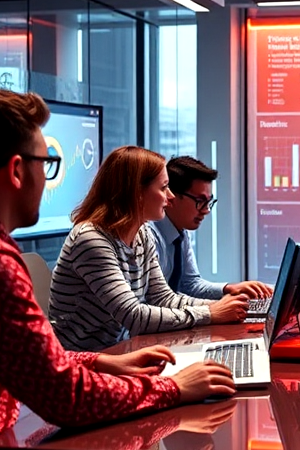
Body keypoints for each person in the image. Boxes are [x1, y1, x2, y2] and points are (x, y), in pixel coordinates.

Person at [0, 88, 236, 450]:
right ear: (18, 171)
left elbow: (29, 361)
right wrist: (174, 387)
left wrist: (101, 362)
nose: (47, 177)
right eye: (48, 163)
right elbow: (65, 400)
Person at [49, 146, 249, 352]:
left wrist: (222, 308)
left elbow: (163, 298)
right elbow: (134, 316)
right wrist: (211, 313)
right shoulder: (91, 239)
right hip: (84, 361)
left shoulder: (141, 234)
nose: (170, 196)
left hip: (120, 351)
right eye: (163, 188)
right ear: (136, 193)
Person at [149, 156, 271, 300]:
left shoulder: (181, 232)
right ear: (171, 197)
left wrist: (229, 289)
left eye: (209, 202)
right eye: (200, 201)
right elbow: (155, 301)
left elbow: (190, 284)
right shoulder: (149, 237)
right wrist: (214, 311)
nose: (206, 210)